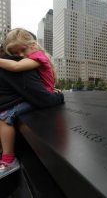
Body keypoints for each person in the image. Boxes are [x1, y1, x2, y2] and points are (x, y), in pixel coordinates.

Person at [0, 28, 62, 177]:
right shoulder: (34, 56)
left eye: (23, 50)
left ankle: (8, 159)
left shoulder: (37, 57)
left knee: (5, 117)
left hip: (42, 97)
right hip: (41, 94)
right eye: (15, 53)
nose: (21, 56)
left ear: (33, 45)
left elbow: (15, 66)